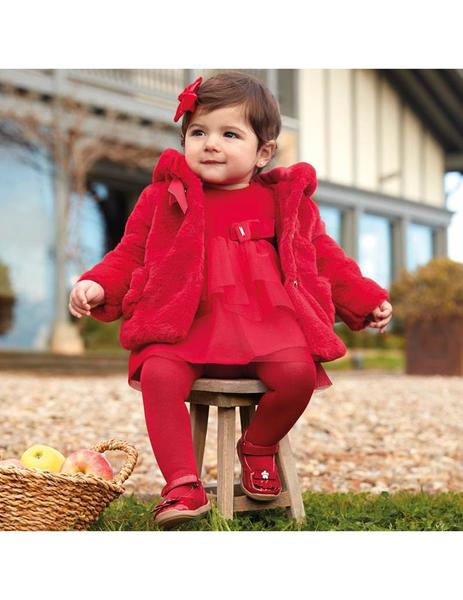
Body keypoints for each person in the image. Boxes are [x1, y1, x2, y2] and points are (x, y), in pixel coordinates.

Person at [68, 72, 393, 527]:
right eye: (198, 132)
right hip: (185, 325)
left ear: (263, 152)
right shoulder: (164, 197)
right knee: (158, 375)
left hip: (266, 326)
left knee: (298, 375)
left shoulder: (284, 201)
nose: (210, 144)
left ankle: (259, 445)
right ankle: (182, 483)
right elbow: (130, 252)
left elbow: (322, 258)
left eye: (229, 134)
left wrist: (364, 297)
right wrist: (98, 284)